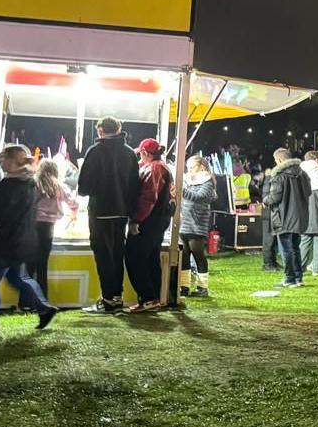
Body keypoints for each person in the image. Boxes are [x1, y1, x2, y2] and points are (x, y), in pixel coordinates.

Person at [0, 145, 58, 336]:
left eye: (4, 157)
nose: (1, 160)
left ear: (14, 161)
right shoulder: (25, 182)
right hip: (17, 240)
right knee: (17, 277)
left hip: (2, 241)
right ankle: (44, 308)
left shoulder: (13, 185)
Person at [76, 117, 141, 313]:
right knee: (117, 254)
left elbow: (83, 187)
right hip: (122, 213)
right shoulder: (130, 153)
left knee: (104, 256)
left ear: (100, 131)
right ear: (119, 129)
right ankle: (116, 297)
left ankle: (108, 300)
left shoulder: (95, 151)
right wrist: (132, 215)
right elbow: (135, 186)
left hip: (101, 211)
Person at [125, 139, 174, 311]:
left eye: (141, 154)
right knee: (151, 258)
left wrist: (136, 220)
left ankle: (147, 297)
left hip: (149, 220)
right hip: (159, 220)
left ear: (145, 153)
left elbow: (148, 198)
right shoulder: (162, 166)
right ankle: (153, 298)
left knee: (135, 257)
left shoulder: (154, 168)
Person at [29, 158, 78, 306]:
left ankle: (25, 302)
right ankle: (43, 300)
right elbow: (73, 203)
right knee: (42, 265)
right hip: (48, 227)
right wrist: (73, 216)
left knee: (29, 265)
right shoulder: (59, 186)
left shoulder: (34, 184)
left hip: (32, 226)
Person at [262, 148, 310, 289]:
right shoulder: (302, 174)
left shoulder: (279, 175)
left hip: (283, 217)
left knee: (286, 250)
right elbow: (308, 192)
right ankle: (298, 277)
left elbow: (275, 197)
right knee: (295, 248)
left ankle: (289, 279)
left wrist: (265, 200)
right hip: (299, 216)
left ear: (280, 160)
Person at [179, 156, 217, 298]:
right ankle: (184, 286)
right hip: (184, 223)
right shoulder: (187, 180)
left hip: (197, 225)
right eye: (188, 167)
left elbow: (199, 197)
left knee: (198, 255)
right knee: (184, 256)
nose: (190, 170)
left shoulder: (207, 182)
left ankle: (202, 287)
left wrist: (181, 190)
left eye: (192, 167)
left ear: (202, 166)